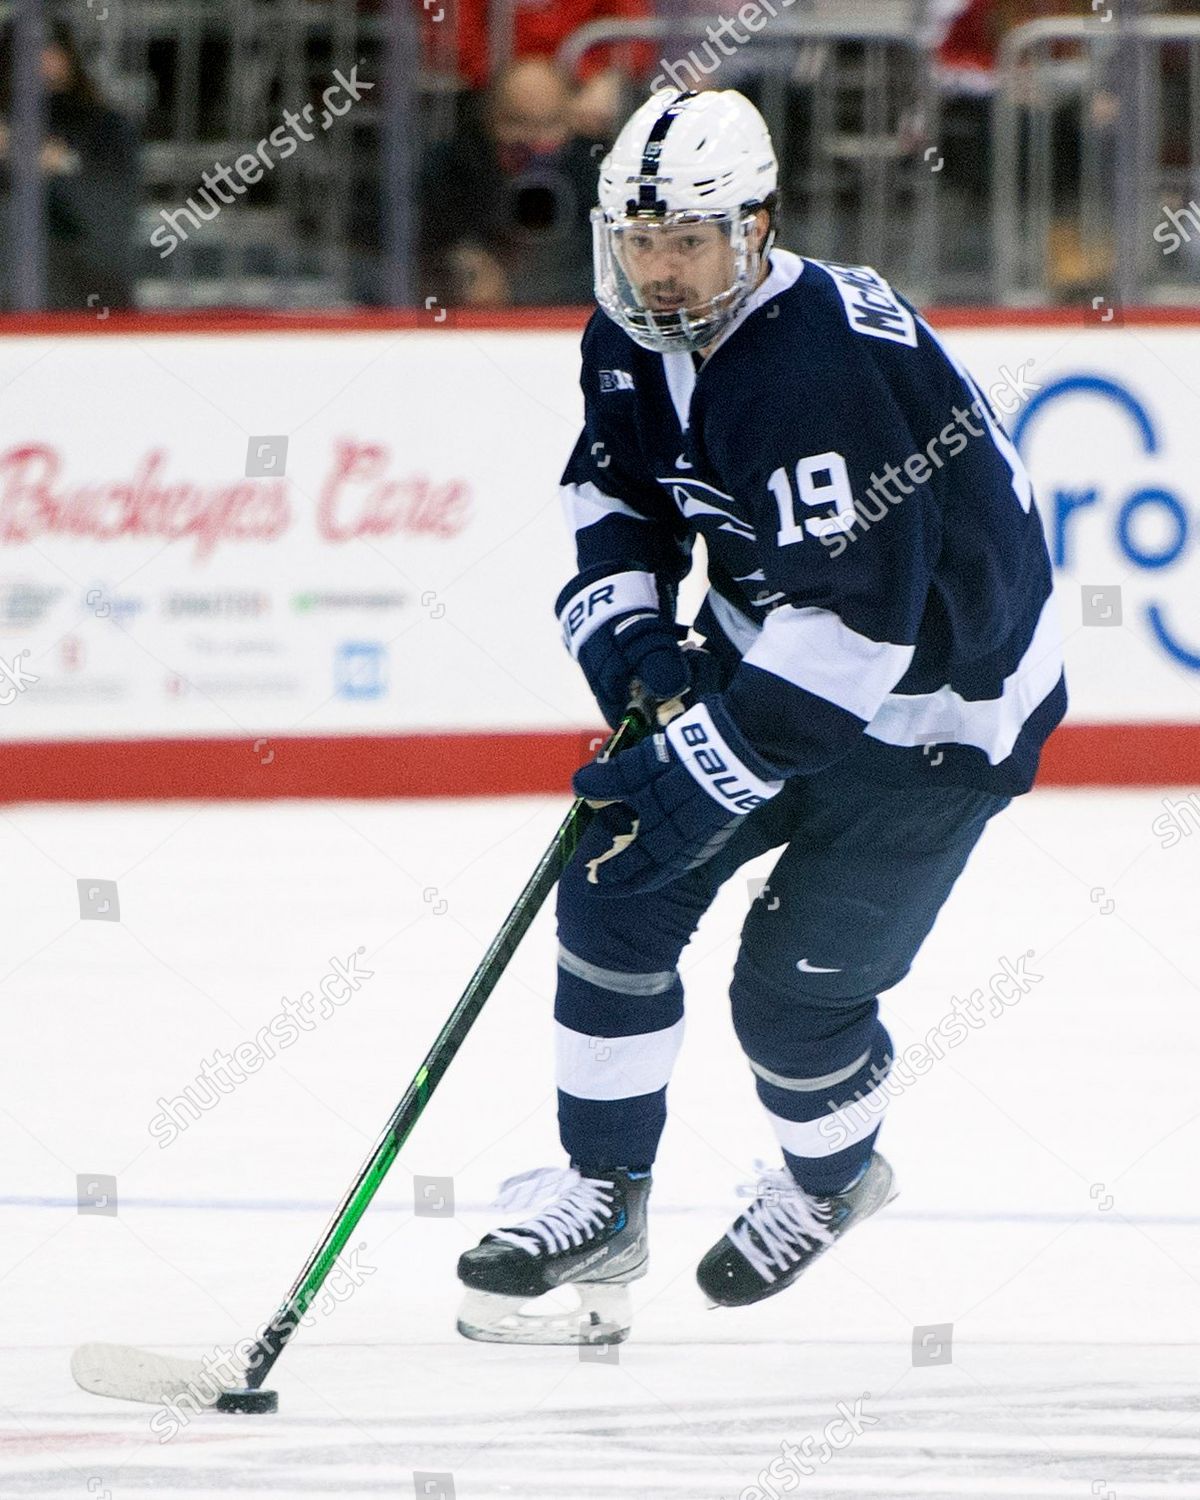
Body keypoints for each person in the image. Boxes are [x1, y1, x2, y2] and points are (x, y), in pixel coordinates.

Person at [456, 88, 1067, 1345]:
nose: (660, 272)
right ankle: (603, 1194)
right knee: (619, 884)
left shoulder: (814, 371)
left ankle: (835, 1184)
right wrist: (631, 649)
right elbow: (612, 493)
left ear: (757, 229)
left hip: (942, 714)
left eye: (688, 242)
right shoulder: (630, 337)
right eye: (638, 241)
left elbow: (861, 630)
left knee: (791, 1004)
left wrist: (701, 768)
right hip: (782, 661)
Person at [418, 57, 600, 307]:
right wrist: (462, 257)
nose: (533, 140)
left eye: (549, 123)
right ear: (491, 119)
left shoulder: (596, 175)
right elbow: (424, 244)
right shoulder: (453, 167)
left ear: (571, 121)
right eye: (518, 122)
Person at [0, 21, 139, 311]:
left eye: (50, 48)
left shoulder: (107, 128)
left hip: (88, 296)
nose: (40, 60)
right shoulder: (7, 124)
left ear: (69, 55)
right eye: (24, 52)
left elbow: (110, 214)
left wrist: (57, 166)